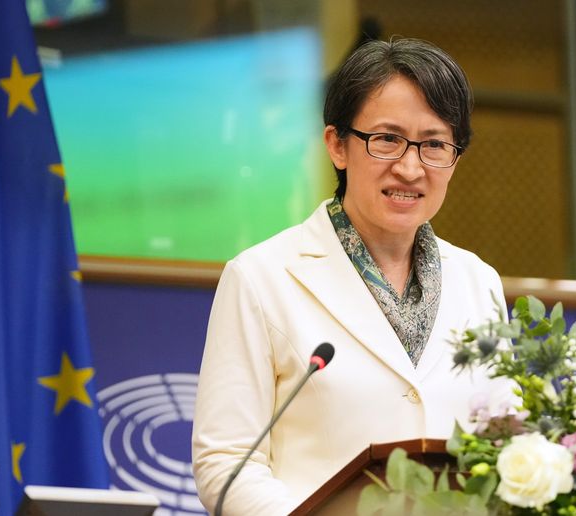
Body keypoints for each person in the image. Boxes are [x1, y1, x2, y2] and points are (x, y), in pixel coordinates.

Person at [192, 37, 505, 515]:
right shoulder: (260, 277)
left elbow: (508, 444)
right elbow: (226, 462)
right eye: (386, 139)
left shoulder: (479, 281)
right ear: (337, 145)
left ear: (455, 158)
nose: (410, 167)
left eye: (435, 144)